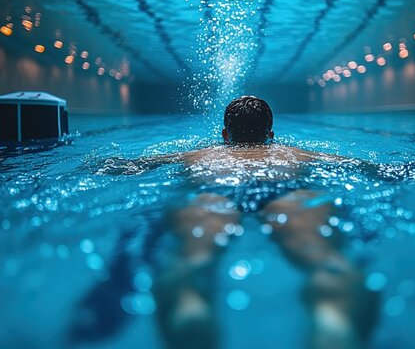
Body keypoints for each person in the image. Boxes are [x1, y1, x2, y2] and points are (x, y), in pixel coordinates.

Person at [103, 96, 378, 349]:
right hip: (285, 190)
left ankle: (189, 308)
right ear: (271, 134)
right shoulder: (295, 154)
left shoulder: (199, 155)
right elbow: (363, 167)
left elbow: (127, 166)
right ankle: (333, 321)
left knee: (190, 264)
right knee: (325, 262)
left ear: (225, 134)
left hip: (215, 192)